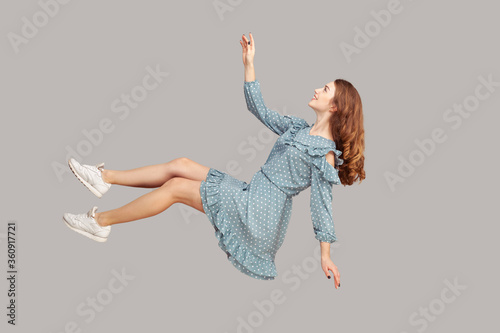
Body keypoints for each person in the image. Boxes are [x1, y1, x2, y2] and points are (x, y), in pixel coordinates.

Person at [62, 33, 365, 288]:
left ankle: (100, 222)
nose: (316, 89)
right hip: (251, 193)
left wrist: (325, 255)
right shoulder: (298, 127)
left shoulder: (324, 153)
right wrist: (249, 64)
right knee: (180, 164)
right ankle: (104, 179)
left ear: (336, 107)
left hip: (260, 215)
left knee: (176, 188)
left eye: (325, 90)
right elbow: (258, 108)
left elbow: (322, 207)